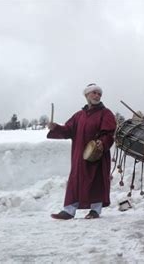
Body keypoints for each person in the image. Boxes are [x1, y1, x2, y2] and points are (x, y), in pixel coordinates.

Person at [48, 83, 116, 220]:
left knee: (96, 180)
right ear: (86, 95)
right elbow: (67, 130)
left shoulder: (106, 113)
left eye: (99, 94)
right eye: (94, 93)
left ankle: (95, 211)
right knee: (75, 181)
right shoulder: (78, 116)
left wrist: (102, 143)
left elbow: (109, 133)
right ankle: (69, 210)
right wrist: (55, 127)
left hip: (96, 155)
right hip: (79, 155)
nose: (97, 96)